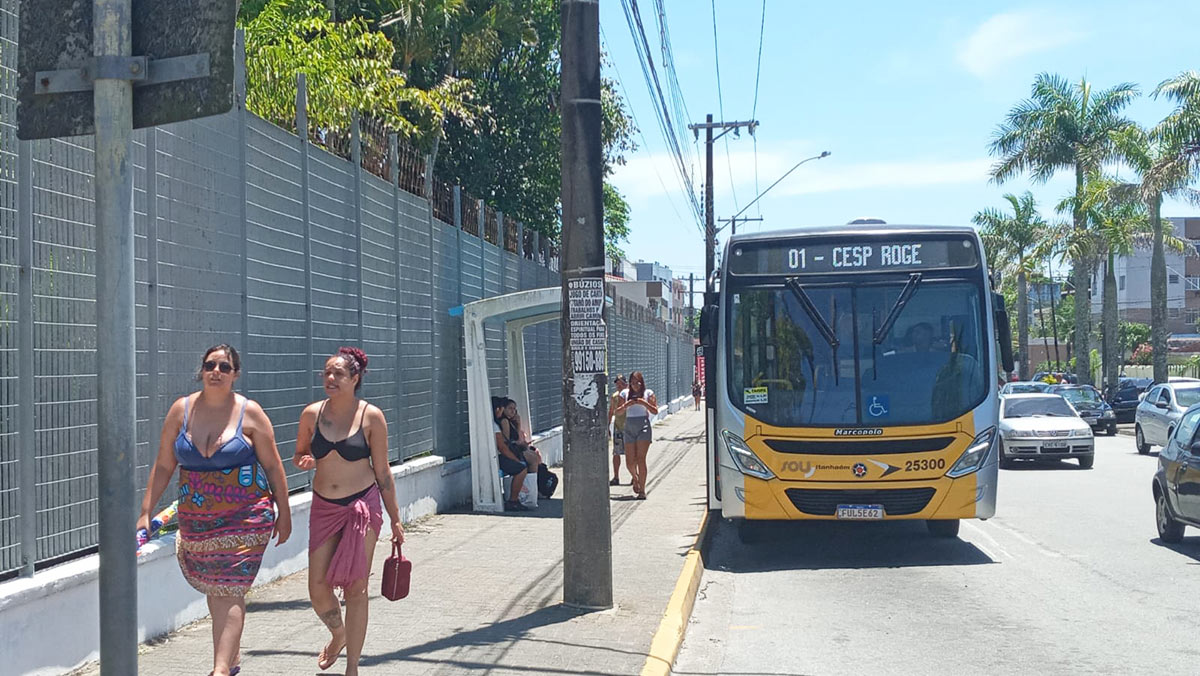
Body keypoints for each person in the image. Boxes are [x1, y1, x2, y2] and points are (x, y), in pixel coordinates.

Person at [138, 344, 292, 676]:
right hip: (197, 519)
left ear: (236, 374)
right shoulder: (181, 411)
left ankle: (219, 670)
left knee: (229, 587)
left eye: (224, 367)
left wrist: (285, 513)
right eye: (210, 365)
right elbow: (164, 465)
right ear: (202, 370)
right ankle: (231, 662)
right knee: (216, 587)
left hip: (246, 516)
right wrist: (146, 512)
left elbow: (273, 466)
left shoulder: (251, 413)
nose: (216, 372)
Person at [293, 347, 405, 676]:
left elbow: (382, 472)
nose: (330, 378)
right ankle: (338, 634)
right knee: (317, 588)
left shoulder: (371, 417)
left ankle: (352, 667)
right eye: (327, 372)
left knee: (357, 588)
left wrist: (395, 519)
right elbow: (299, 453)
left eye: (338, 373)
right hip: (324, 506)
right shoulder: (311, 414)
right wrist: (303, 461)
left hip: (362, 506)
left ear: (355, 378)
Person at [615, 371, 658, 499]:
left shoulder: (648, 393)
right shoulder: (624, 394)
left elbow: (655, 411)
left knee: (641, 459)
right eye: (632, 383)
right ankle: (635, 477)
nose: (635, 385)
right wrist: (627, 405)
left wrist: (643, 403)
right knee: (630, 462)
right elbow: (618, 412)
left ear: (642, 383)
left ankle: (642, 491)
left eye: (637, 383)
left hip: (643, 426)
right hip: (629, 427)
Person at [492, 396, 531, 511]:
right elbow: (502, 447)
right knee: (521, 469)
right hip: (496, 457)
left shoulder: (494, 423)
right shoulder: (496, 425)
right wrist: (516, 460)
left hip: (495, 456)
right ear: (498, 409)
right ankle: (513, 500)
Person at [608, 374, 628, 485]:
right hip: (618, 427)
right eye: (617, 384)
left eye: (621, 384)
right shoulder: (614, 397)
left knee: (631, 454)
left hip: (629, 428)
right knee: (616, 453)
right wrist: (608, 425)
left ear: (626, 384)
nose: (619, 386)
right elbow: (611, 411)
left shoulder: (630, 395)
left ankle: (634, 477)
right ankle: (616, 477)